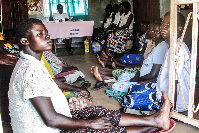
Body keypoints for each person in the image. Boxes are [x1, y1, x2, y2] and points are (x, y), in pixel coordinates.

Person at [8, 18, 173, 133]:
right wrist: (89, 124)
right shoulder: (30, 71)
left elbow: (52, 83)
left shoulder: (33, 62)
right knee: (94, 128)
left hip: (55, 121)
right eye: (40, 34)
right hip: (48, 129)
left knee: (98, 112)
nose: (47, 36)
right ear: (25, 41)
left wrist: (75, 92)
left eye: (46, 32)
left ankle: (153, 120)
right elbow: (51, 120)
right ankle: (155, 126)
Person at [156, 12, 191, 112]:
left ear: (179, 28)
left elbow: (175, 81)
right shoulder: (173, 45)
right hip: (165, 93)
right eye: (163, 24)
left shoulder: (178, 49)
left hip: (174, 101)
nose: (163, 27)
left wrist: (170, 109)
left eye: (168, 25)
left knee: (133, 97)